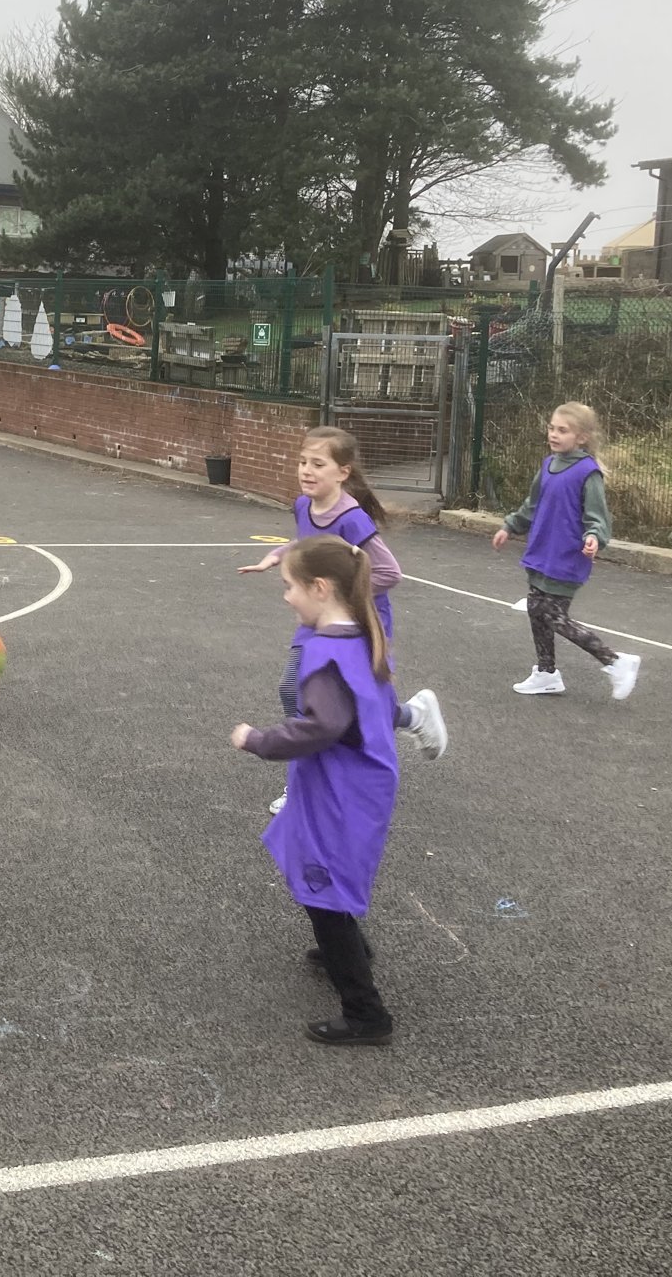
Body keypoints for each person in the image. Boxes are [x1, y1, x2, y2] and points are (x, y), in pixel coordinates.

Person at [229, 535, 401, 1046]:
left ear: (320, 588)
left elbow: (321, 726)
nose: (285, 597)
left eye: (290, 587)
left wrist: (257, 740)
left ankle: (367, 1014)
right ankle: (345, 950)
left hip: (343, 792)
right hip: (356, 785)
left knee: (323, 888)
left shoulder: (326, 654)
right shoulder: (360, 636)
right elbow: (382, 708)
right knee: (320, 870)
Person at [241, 426, 446, 814]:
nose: (306, 470)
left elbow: (388, 573)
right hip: (319, 619)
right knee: (295, 690)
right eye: (303, 462)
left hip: (360, 623)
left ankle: (412, 715)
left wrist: (342, 598)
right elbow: (310, 545)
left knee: (357, 705)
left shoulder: (353, 520)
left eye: (318, 463)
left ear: (343, 472)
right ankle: (307, 774)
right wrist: (281, 555)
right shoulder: (304, 505)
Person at [491, 402, 641, 700]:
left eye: (563, 430)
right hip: (541, 552)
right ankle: (547, 674)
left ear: (582, 437)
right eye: (551, 428)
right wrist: (510, 526)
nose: (554, 434)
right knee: (536, 610)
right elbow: (531, 506)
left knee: (553, 615)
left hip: (567, 557)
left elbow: (598, 517)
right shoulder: (548, 465)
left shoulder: (588, 472)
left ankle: (615, 661)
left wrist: (594, 537)